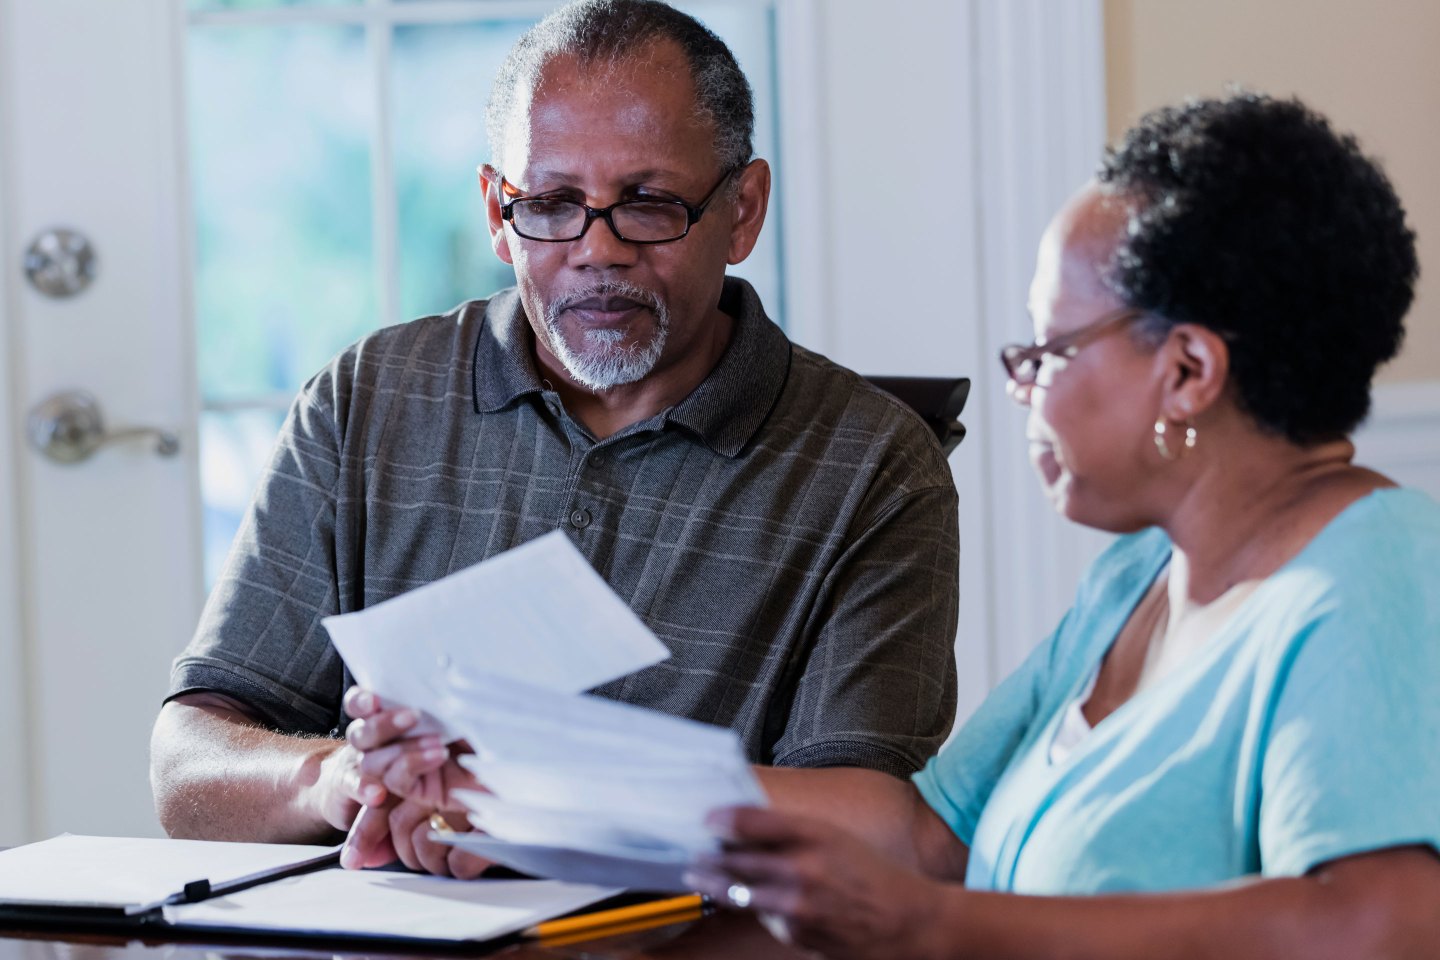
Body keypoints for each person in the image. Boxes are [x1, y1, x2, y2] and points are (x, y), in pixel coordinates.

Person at [149, 0, 960, 879]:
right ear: (498, 211)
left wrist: (535, 804)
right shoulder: (366, 401)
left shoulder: (873, 467)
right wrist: (342, 779)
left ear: (743, 210)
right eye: (551, 203)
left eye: (648, 204)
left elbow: (870, 843)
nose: (597, 249)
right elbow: (188, 766)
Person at [674, 93, 1440, 957]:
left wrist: (931, 926)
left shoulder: (1378, 575)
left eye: (1049, 352)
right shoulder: (1136, 578)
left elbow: (1383, 924)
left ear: (1188, 370)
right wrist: (598, 791)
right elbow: (927, 843)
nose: (1024, 388)